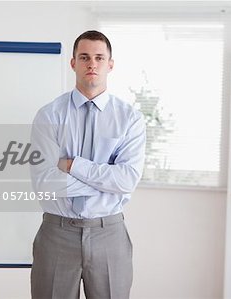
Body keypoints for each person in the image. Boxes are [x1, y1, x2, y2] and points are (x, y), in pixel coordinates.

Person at [30, 30, 146, 299]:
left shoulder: (130, 119)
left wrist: (72, 165)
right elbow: (44, 183)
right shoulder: (49, 115)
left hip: (109, 234)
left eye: (99, 57)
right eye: (84, 57)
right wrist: (108, 182)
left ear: (110, 64)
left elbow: (127, 180)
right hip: (56, 233)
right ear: (73, 63)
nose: (91, 64)